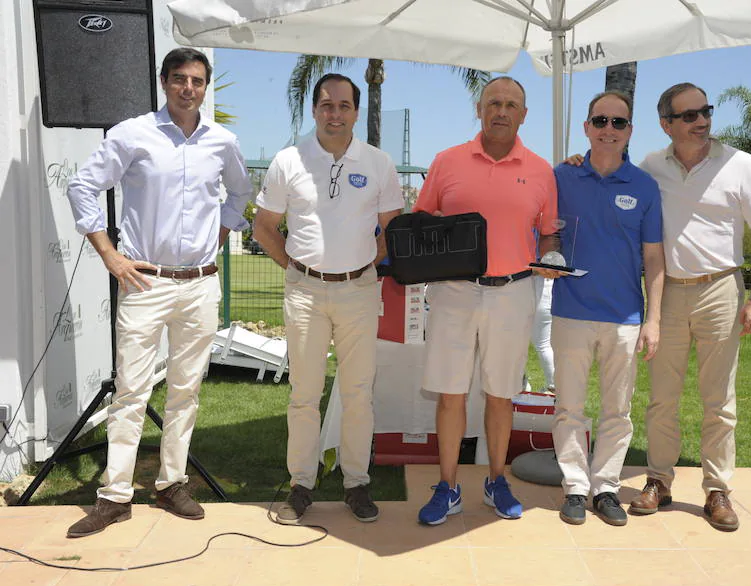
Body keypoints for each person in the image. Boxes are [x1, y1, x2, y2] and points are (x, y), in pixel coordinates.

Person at [65, 48, 253, 538]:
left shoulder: (223, 141)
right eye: (178, 79)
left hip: (200, 285)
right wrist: (110, 255)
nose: (187, 88)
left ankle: (171, 483)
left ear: (205, 86)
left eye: (196, 80)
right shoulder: (132, 134)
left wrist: (222, 233)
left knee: (186, 390)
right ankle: (114, 495)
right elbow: (82, 188)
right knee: (131, 391)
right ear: (163, 82)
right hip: (145, 282)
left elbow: (239, 193)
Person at [253, 74, 403, 523]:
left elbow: (392, 230)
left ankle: (356, 483)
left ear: (356, 112)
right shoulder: (288, 161)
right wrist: (298, 271)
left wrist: (363, 266)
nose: (334, 113)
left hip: (359, 291)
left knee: (359, 393)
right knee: (303, 394)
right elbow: (264, 227)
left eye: (343, 105)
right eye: (325, 105)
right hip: (305, 292)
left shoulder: (378, 162)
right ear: (314, 110)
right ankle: (302, 482)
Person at [630, 82, 751, 531]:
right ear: (666, 124)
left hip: (721, 290)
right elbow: (613, 186)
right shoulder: (651, 166)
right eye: (690, 115)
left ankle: (717, 490)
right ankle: (658, 480)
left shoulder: (740, 164)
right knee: (662, 399)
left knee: (719, 400)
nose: (702, 121)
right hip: (667, 293)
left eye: (706, 112)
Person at [413, 76, 559, 526]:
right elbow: (421, 218)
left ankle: (497, 480)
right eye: (493, 102)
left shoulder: (540, 170)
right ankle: (448, 486)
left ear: (523, 115)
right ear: (479, 110)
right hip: (454, 290)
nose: (501, 111)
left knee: (501, 395)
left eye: (511, 104)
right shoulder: (447, 161)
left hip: (513, 293)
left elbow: (549, 230)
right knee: (451, 394)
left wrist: (552, 253)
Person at [551, 92, 665, 527]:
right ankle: (575, 488)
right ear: (586, 128)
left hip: (625, 318)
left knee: (617, 412)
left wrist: (653, 319)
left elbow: (654, 259)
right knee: (569, 409)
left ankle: (606, 488)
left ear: (630, 132)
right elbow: (541, 231)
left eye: (618, 123)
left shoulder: (644, 187)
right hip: (570, 312)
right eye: (600, 120)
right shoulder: (562, 175)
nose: (608, 129)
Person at [528, 276, 555, 393]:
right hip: (549, 289)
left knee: (543, 345)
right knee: (544, 344)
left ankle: (553, 386)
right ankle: (553, 385)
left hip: (534, 289)